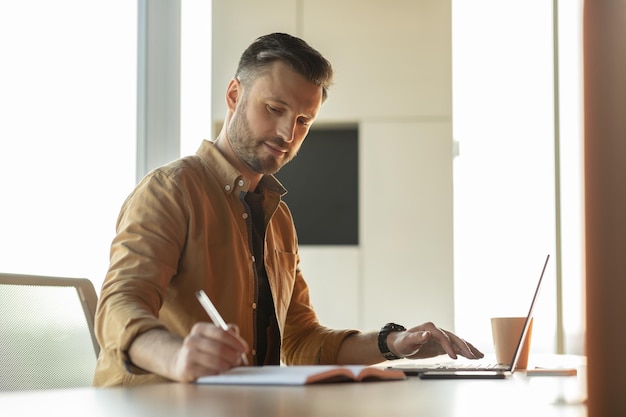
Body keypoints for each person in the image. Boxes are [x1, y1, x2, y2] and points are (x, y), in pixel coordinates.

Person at [93, 32, 483, 387]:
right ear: (234, 96)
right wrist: (176, 356)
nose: (287, 133)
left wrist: (395, 343)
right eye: (275, 108)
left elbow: (299, 341)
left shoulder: (277, 217)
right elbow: (117, 304)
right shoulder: (170, 190)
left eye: (302, 121)